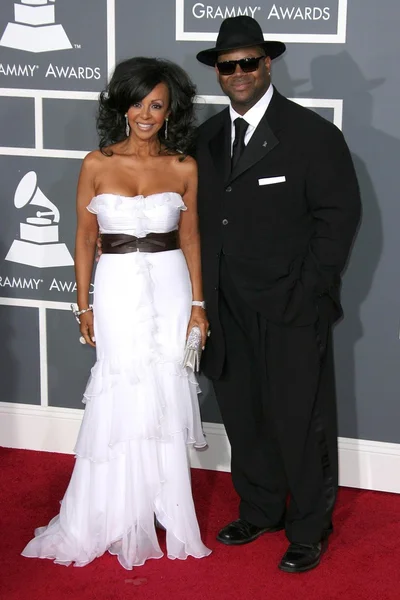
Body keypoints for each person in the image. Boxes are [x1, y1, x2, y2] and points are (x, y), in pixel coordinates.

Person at [21, 57, 211, 569]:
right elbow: (84, 239)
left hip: (171, 285)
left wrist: (197, 303)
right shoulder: (96, 163)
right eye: (137, 103)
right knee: (121, 385)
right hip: (117, 286)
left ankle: (161, 506)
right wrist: (81, 303)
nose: (145, 114)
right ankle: (107, 511)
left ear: (171, 111)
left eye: (157, 105)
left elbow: (191, 237)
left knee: (164, 390)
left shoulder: (183, 166)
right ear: (121, 106)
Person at [195, 16, 361, 573]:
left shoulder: (313, 136)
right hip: (226, 306)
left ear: (268, 64)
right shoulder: (206, 139)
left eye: (248, 62)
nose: (238, 73)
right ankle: (261, 508)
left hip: (290, 308)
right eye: (227, 66)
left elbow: (338, 219)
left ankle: (309, 527)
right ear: (218, 74)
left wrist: (308, 291)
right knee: (243, 417)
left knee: (300, 419)